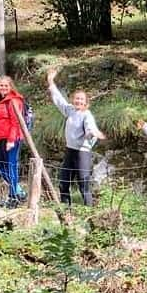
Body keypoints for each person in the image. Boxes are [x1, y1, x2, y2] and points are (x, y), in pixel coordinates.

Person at [47, 68, 106, 206]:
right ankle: (66, 210)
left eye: (81, 99)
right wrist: (50, 81)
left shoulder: (87, 114)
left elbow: (90, 126)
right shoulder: (70, 110)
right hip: (70, 150)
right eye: (76, 98)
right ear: (73, 99)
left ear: (86, 102)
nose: (78, 101)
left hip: (82, 152)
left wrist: (92, 133)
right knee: (64, 182)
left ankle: (89, 212)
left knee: (83, 184)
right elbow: (59, 100)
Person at [0, 76, 25, 207]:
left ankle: (14, 197)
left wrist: (11, 140)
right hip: (2, 138)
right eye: (1, 85)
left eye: (6, 86)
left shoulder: (14, 101)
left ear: (11, 87)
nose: (3, 88)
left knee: (11, 167)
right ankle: (18, 190)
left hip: (12, 139)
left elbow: (16, 122)